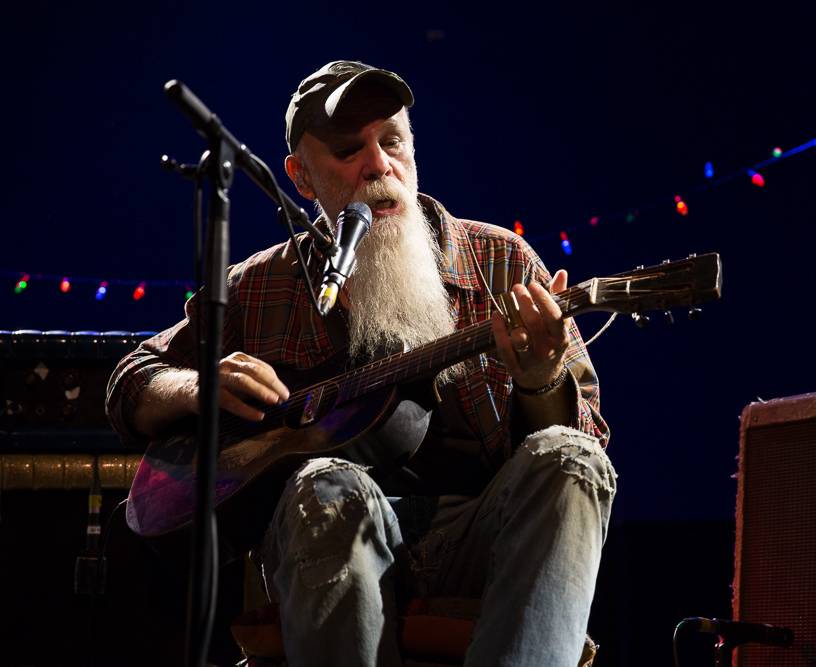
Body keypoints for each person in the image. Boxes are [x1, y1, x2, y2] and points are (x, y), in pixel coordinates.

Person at [106, 60, 615, 667]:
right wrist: (197, 385)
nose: (379, 166)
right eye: (349, 151)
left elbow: (583, 443)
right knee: (325, 484)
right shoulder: (263, 286)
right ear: (300, 177)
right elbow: (131, 377)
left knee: (573, 460)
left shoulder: (501, 263)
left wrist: (541, 381)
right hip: (330, 542)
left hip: (479, 538)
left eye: (392, 141)